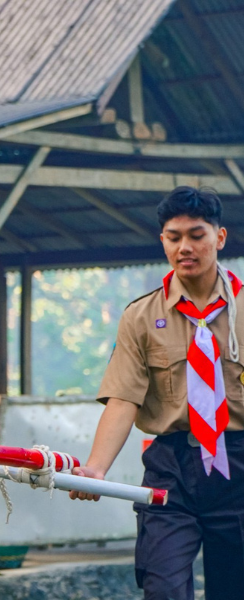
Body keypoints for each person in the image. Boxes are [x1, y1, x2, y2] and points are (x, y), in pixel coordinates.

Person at [70, 186, 244, 599]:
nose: (185, 247)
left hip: (239, 466)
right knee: (162, 587)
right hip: (172, 469)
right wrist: (96, 468)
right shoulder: (141, 317)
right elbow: (123, 399)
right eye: (173, 237)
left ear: (219, 238)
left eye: (196, 236)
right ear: (162, 240)